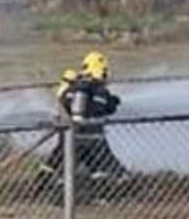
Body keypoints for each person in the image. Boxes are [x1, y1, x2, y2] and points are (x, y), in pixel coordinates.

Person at [41, 49, 127, 184]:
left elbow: (64, 101)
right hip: (91, 135)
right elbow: (100, 108)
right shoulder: (98, 89)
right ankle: (108, 186)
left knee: (60, 160)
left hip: (70, 134)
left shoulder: (75, 86)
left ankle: (45, 183)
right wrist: (113, 102)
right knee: (101, 163)